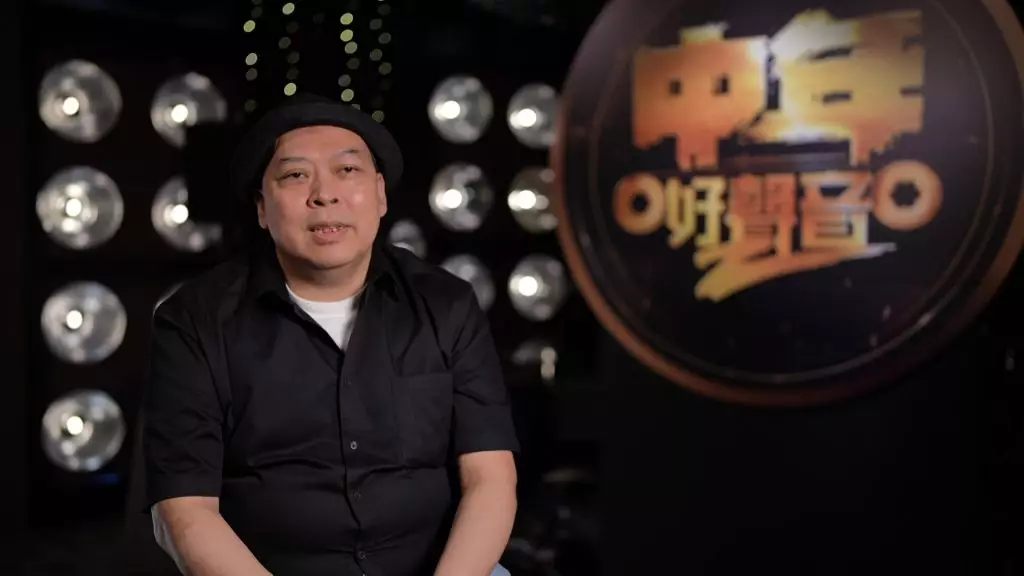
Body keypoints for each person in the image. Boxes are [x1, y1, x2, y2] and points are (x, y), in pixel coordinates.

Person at [142, 94, 519, 576]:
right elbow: (183, 511)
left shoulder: (448, 304)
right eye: (296, 175)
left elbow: (490, 478)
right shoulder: (193, 320)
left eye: (347, 170)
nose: (325, 194)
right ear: (262, 207)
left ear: (380, 195)